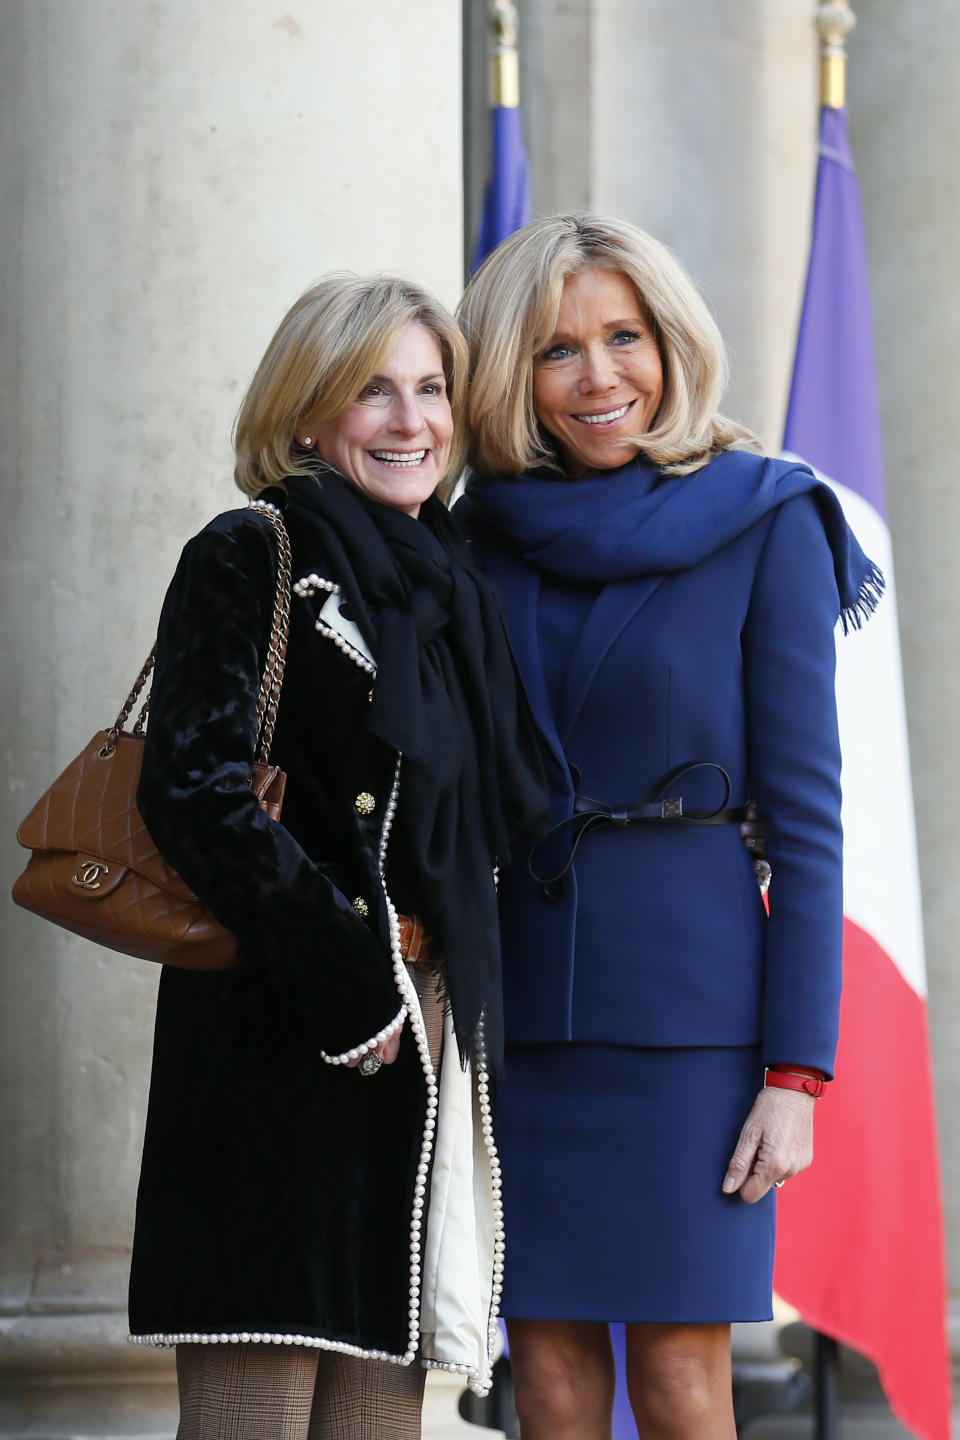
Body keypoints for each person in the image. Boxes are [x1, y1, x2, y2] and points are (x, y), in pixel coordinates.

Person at [455, 214, 882, 1440]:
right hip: (517, 1003)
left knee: (686, 1381)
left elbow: (806, 819)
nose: (600, 378)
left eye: (623, 337)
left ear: (669, 342)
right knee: (542, 1376)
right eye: (557, 349)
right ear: (509, 375)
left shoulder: (769, 517)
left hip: (696, 1020)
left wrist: (797, 1072)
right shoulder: (471, 539)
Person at [127, 274, 547, 1440]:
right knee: (254, 1415)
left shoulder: (450, 585)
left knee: (375, 1418)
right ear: (308, 413)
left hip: (419, 1044)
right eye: (374, 390)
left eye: (431, 389)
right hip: (281, 1041)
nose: (412, 420)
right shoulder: (249, 551)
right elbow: (196, 791)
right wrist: (352, 985)